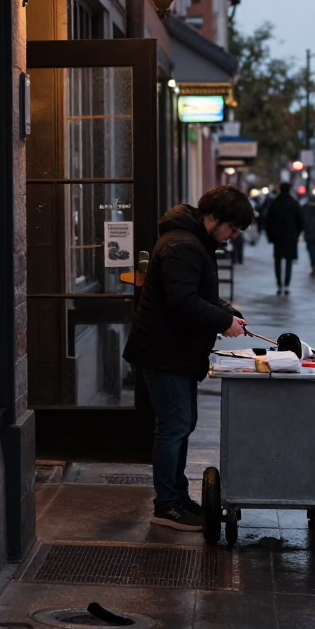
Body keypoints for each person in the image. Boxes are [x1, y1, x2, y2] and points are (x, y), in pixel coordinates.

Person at [123, 186, 253, 531]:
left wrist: (228, 314)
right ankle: (167, 506)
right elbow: (182, 301)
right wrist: (223, 321)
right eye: (233, 229)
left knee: (182, 425)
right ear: (215, 218)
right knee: (174, 426)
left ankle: (177, 498)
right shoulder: (183, 245)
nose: (232, 237)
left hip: (175, 351)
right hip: (164, 351)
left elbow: (200, 295)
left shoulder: (194, 242)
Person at [265, 181, 304, 294]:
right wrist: (296, 234)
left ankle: (279, 284)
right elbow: (300, 222)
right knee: (288, 261)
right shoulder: (294, 203)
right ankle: (287, 284)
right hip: (290, 236)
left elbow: (268, 221)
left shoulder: (275, 203)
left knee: (277, 261)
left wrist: (270, 236)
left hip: (278, 237)